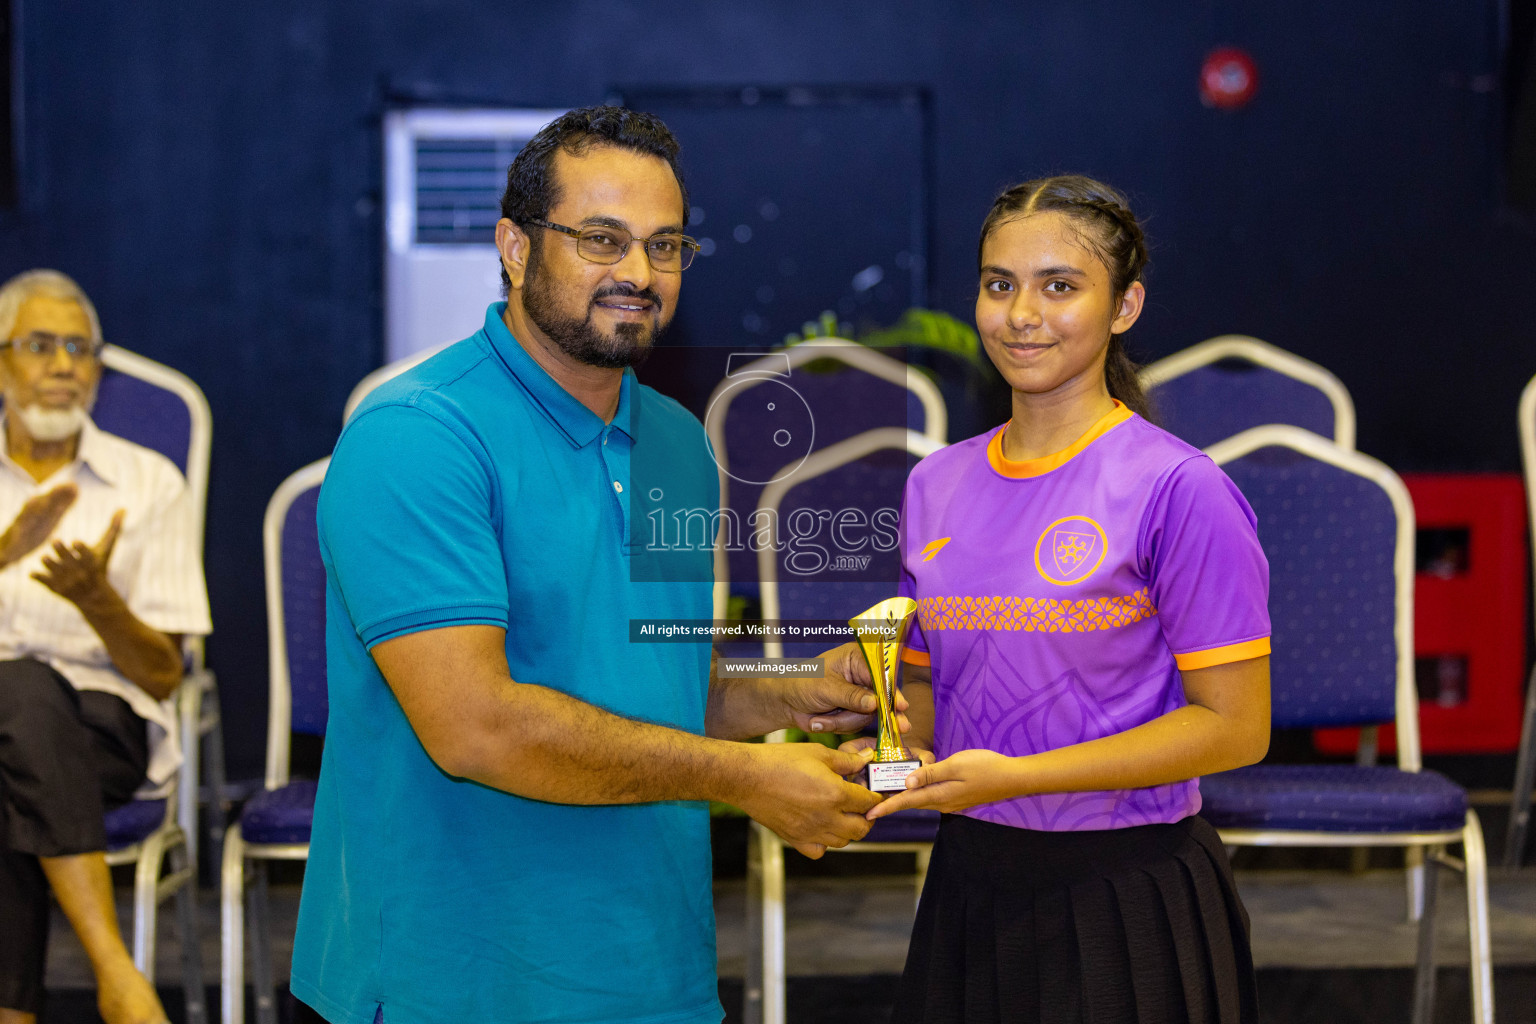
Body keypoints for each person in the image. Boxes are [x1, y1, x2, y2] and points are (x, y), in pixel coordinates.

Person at [290, 106, 886, 1024]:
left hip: (651, 972)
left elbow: (656, 676)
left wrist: (793, 687)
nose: (638, 274)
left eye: (666, 245)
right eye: (601, 240)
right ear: (514, 247)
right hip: (448, 981)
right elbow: (475, 726)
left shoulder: (678, 445)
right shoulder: (417, 436)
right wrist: (748, 780)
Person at [841, 175, 1271, 1024]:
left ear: (1125, 306)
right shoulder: (937, 482)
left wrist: (1016, 778)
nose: (1021, 314)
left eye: (1059, 286)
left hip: (1127, 895)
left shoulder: (1179, 488)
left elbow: (1234, 726)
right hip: (969, 886)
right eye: (1000, 285)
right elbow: (925, 693)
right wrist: (882, 749)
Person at [0, 270, 212, 1024]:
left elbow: (164, 673)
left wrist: (98, 599)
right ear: (0, 362)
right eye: (40, 345)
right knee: (13, 734)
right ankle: (116, 970)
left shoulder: (146, 482)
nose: (63, 365)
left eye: (80, 349)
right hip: (30, 750)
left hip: (107, 725)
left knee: (17, 694)